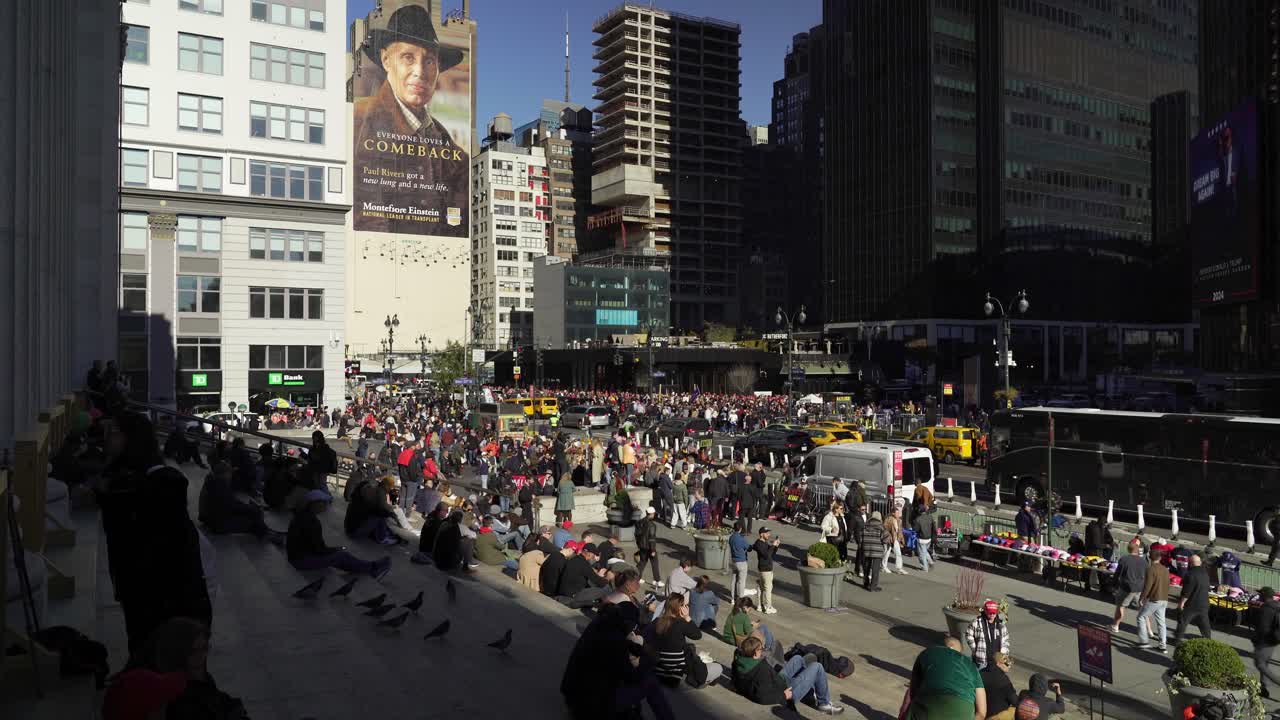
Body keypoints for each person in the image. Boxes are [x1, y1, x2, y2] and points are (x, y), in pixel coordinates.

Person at [98, 412, 212, 660]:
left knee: (164, 659)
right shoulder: (120, 479)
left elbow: (173, 547)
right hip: (137, 587)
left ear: (132, 438)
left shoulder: (159, 483)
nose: (106, 438)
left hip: (163, 595)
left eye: (113, 432)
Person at [560, 601, 675, 720]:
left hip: (573, 696)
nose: (633, 630)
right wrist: (649, 661)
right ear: (628, 622)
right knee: (650, 682)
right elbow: (630, 676)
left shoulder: (599, 623)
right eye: (633, 626)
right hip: (589, 707)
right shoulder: (616, 641)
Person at [140, 617, 249, 720]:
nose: (201, 657)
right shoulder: (174, 697)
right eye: (194, 651)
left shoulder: (201, 677)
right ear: (178, 654)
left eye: (204, 648)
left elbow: (217, 699)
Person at [287, 489, 391, 580]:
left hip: (298, 556)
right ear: (314, 504)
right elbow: (318, 550)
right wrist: (335, 550)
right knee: (341, 556)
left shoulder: (303, 516)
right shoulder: (312, 522)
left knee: (341, 555)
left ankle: (370, 566)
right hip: (301, 561)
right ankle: (372, 568)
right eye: (323, 503)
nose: (326, 506)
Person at [730, 635, 845, 714]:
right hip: (786, 693)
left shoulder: (738, 661)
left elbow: (736, 682)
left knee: (797, 658)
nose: (763, 650)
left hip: (778, 681)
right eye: (761, 649)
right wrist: (783, 696)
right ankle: (823, 704)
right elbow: (761, 697)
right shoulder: (761, 669)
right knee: (817, 667)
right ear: (755, 653)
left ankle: (809, 691)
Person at [642, 593, 724, 689]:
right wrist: (687, 617)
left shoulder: (657, 621)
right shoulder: (680, 623)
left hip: (658, 672)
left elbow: (644, 636)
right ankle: (703, 682)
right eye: (684, 605)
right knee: (718, 667)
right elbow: (697, 635)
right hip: (675, 676)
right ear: (679, 608)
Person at [196, 461, 283, 544]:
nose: (231, 475)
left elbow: (230, 502)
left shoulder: (213, 482)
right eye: (229, 473)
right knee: (252, 520)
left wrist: (247, 507)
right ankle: (267, 534)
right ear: (224, 474)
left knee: (252, 513)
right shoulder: (219, 486)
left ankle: (266, 532)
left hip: (211, 519)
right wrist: (249, 508)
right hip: (217, 524)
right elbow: (232, 505)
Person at [905, 636, 987, 720]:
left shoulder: (926, 653)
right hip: (962, 708)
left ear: (941, 647)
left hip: (929, 705)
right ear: (960, 653)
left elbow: (913, 692)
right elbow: (981, 713)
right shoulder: (971, 666)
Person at [1136, 548, 1170, 653]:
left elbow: (1147, 586)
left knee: (1141, 617)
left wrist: (1142, 598)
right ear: (1160, 558)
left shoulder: (1150, 569)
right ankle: (1163, 645)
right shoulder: (1165, 569)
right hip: (1164, 599)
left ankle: (1144, 642)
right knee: (1161, 622)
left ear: (1149, 558)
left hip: (1155, 598)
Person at [558, 543, 611, 608]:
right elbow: (597, 581)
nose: (593, 556)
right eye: (593, 554)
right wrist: (607, 579)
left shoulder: (574, 558)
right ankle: (603, 608)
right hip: (573, 595)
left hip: (564, 591)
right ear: (589, 553)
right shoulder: (584, 564)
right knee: (606, 588)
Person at [1110, 540, 1147, 633]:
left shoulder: (1124, 559)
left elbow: (1118, 574)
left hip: (1126, 587)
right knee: (1142, 609)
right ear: (1137, 550)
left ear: (1128, 549)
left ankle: (1115, 625)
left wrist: (1114, 585)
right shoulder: (1144, 561)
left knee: (1121, 606)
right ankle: (1144, 629)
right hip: (1140, 588)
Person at [1175, 554, 1212, 642]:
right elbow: (1207, 587)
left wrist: (1181, 603)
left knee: (1183, 621)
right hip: (1204, 603)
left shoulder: (1190, 574)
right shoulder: (1205, 574)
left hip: (1192, 604)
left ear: (1190, 563)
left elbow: (1187, 591)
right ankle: (1208, 640)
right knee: (1204, 623)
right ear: (1200, 563)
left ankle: (1178, 639)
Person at [966, 600, 1010, 670]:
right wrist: (975, 648)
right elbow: (969, 634)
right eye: (990, 613)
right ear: (985, 611)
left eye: (994, 613)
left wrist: (1003, 654)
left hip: (997, 661)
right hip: (982, 660)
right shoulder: (977, 623)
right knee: (980, 676)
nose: (992, 615)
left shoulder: (1001, 625)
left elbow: (1006, 640)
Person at [1252, 586, 1280, 699]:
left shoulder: (1266, 608)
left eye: (1260, 594)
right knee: (1264, 663)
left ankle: (1277, 682)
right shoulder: (1276, 606)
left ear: (1264, 595)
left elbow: (1262, 628)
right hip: (1273, 640)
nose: (1259, 596)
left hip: (1264, 641)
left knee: (1260, 664)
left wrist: (1256, 639)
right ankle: (1263, 689)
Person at [981, 652, 1020, 720]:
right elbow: (1014, 701)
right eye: (1007, 664)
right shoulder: (1003, 679)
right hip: (994, 715)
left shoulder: (980, 673)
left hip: (979, 712)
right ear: (998, 663)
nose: (1009, 667)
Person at [754, 527, 781, 615]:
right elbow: (766, 555)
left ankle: (760, 605)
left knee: (761, 588)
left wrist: (776, 546)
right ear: (761, 534)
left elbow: (772, 553)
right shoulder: (759, 544)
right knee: (768, 588)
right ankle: (768, 607)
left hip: (764, 568)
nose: (768, 535)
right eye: (767, 533)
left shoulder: (764, 543)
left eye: (769, 533)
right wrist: (773, 545)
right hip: (765, 569)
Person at [634, 507, 663, 587]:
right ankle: (657, 580)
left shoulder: (639, 522)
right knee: (654, 563)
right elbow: (652, 538)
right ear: (652, 514)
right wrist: (653, 550)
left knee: (642, 562)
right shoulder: (652, 525)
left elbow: (636, 535)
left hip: (642, 546)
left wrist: (639, 544)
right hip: (649, 547)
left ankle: (636, 578)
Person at [728, 520, 754, 603]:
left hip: (734, 561)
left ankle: (733, 598)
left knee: (734, 580)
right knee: (741, 581)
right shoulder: (741, 539)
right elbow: (749, 548)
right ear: (740, 529)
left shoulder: (731, 537)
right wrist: (751, 546)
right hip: (741, 561)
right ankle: (740, 598)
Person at [861, 510, 887, 591]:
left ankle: (866, 583)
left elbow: (861, 537)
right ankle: (873, 586)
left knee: (866, 567)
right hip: (877, 549)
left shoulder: (865, 525)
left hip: (866, 548)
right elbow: (886, 538)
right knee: (875, 568)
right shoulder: (881, 526)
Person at [912, 497, 936, 572]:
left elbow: (915, 530)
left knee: (921, 554)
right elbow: (933, 527)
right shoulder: (930, 517)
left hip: (921, 538)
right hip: (929, 538)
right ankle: (930, 561)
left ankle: (924, 568)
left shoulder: (918, 519)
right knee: (924, 551)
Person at [882, 506, 908, 575]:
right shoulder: (888, 519)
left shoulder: (899, 520)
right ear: (893, 513)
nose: (898, 514)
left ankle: (899, 568)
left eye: (899, 513)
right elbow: (884, 529)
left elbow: (900, 530)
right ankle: (884, 567)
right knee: (886, 553)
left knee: (898, 553)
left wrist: (902, 539)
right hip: (889, 539)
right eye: (897, 513)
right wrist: (889, 536)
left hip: (896, 539)